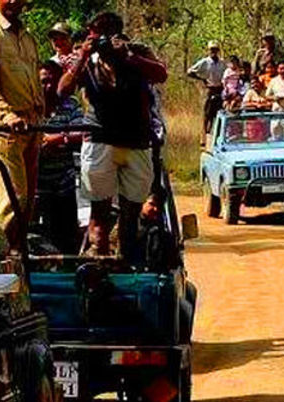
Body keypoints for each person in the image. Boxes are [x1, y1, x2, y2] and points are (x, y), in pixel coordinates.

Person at [58, 11, 168, 257]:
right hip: (99, 140)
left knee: (131, 213)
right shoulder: (86, 57)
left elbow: (161, 75)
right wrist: (84, 55)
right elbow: (62, 90)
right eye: (96, 34)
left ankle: (124, 263)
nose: (102, 40)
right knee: (99, 213)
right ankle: (100, 262)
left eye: (105, 34)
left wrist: (128, 56)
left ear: (118, 34)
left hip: (137, 141)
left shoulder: (136, 51)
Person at [0, 0, 45, 252]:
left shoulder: (27, 36)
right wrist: (7, 115)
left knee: (27, 206)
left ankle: (15, 260)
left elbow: (34, 78)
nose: (14, 1)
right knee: (12, 201)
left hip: (33, 128)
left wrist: (40, 114)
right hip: (7, 131)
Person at [35, 60, 87, 253]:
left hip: (63, 183)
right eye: (43, 81)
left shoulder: (70, 104)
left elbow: (83, 132)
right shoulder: (29, 104)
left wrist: (59, 139)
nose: (47, 86)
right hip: (35, 184)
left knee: (66, 237)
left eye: (52, 81)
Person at [188, 41, 226, 144]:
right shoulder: (204, 62)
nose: (213, 52)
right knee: (207, 115)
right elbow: (190, 71)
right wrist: (203, 80)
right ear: (208, 50)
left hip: (220, 89)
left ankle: (217, 138)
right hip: (209, 90)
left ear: (218, 51)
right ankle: (204, 138)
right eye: (211, 49)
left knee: (219, 114)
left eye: (215, 49)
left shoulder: (222, 63)